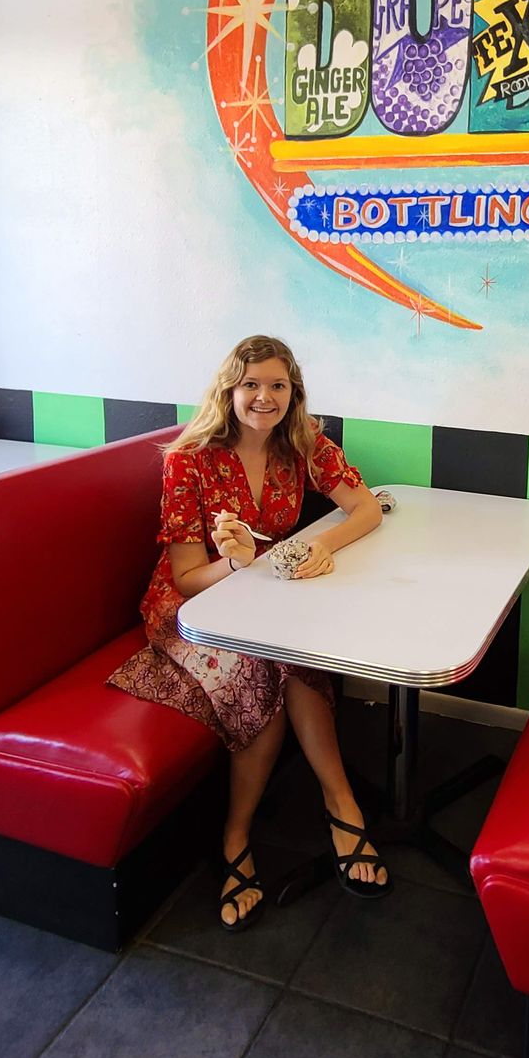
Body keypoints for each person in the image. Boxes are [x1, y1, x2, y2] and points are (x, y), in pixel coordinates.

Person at [107, 334, 389, 930]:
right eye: (251, 384)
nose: (265, 397)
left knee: (302, 658)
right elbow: (184, 580)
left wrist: (316, 542)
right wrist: (233, 562)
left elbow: (364, 508)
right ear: (229, 389)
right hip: (193, 604)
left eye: (278, 386)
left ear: (294, 393)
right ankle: (236, 838)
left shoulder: (304, 443)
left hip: (263, 593)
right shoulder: (188, 459)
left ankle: (341, 804)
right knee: (265, 669)